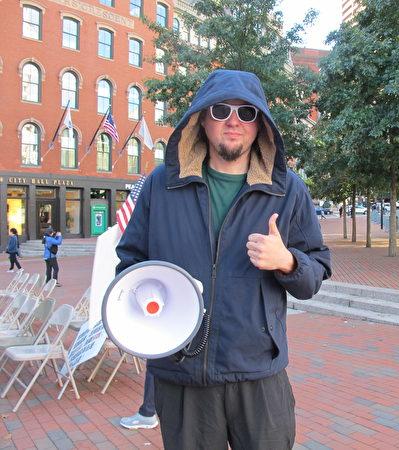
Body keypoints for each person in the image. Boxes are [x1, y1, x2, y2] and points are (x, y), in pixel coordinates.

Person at [116, 69, 332, 449]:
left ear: (260, 124)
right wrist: (152, 303)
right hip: (181, 372)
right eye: (220, 110)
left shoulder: (287, 190)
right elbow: (130, 264)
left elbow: (315, 271)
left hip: (257, 374)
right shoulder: (161, 184)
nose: (234, 121)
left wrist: (288, 262)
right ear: (201, 118)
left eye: (246, 112)